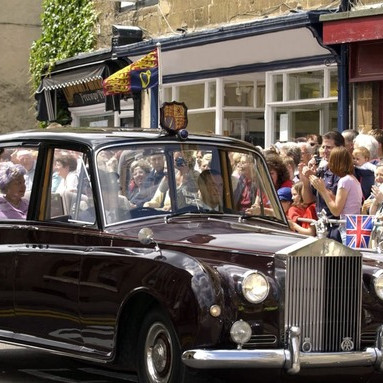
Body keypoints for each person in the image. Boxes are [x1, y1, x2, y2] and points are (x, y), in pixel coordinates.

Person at [309, 146, 363, 245]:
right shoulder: (353, 179)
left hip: (347, 228)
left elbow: (336, 211)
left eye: (331, 160)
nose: (329, 164)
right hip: (352, 227)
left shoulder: (344, 181)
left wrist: (323, 191)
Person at [299, 130, 345, 242]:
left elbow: (338, 205)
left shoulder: (344, 173)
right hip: (322, 227)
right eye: (323, 147)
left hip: (337, 229)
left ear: (340, 148)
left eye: (329, 147)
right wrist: (306, 181)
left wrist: (322, 188)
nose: (325, 151)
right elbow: (308, 199)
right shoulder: (322, 171)